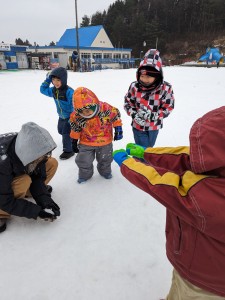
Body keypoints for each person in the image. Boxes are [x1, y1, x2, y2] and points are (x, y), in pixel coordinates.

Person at [113, 106, 225, 299]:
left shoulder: (205, 198)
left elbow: (162, 183)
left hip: (203, 280)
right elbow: (191, 158)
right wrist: (146, 154)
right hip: (202, 268)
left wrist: (128, 164)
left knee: (184, 293)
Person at [0, 122, 60, 233]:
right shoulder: (3, 162)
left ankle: (28, 192)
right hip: (2, 188)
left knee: (51, 163)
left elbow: (37, 176)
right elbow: (4, 199)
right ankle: (1, 212)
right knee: (23, 180)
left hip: (14, 171)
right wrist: (36, 212)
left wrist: (45, 202)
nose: (43, 157)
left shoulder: (31, 146)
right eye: (39, 157)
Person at [70, 87, 123, 183]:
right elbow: (75, 127)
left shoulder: (105, 108)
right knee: (83, 160)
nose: (85, 114)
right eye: (81, 111)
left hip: (105, 141)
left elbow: (115, 115)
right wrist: (74, 140)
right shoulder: (76, 115)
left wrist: (118, 128)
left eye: (87, 110)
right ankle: (85, 175)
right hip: (86, 142)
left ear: (94, 104)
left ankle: (105, 172)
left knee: (106, 159)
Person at [124, 48, 175, 148]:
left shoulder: (165, 88)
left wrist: (155, 115)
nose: (144, 79)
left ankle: (142, 160)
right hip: (138, 125)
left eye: (149, 77)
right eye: (142, 76)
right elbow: (128, 103)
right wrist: (134, 114)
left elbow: (168, 106)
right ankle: (139, 162)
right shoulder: (135, 87)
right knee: (143, 149)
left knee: (149, 147)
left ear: (157, 76)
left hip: (154, 126)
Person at [40, 66, 75, 160]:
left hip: (70, 116)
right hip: (61, 116)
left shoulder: (69, 92)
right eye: (53, 79)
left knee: (65, 133)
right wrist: (47, 79)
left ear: (63, 80)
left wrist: (73, 117)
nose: (55, 82)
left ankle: (69, 151)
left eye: (58, 80)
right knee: (60, 130)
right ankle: (74, 136)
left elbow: (75, 105)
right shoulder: (53, 90)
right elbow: (43, 90)